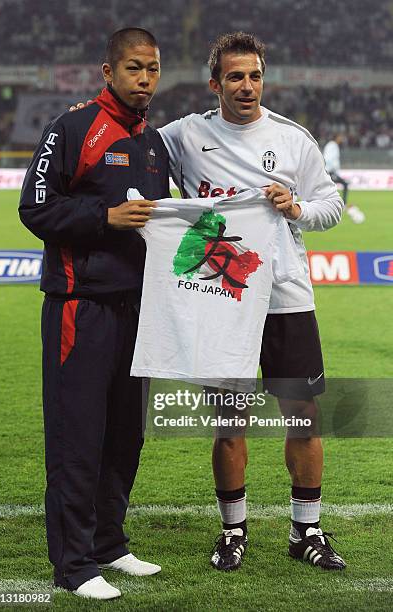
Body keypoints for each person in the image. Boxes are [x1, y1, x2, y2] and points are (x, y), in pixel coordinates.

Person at [158, 32, 346, 572]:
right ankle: (233, 530)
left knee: (303, 416)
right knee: (229, 420)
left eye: (255, 75)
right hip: (223, 299)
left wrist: (297, 209)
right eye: (235, 77)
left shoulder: (291, 139)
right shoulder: (185, 137)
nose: (247, 86)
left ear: (264, 78)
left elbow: (330, 204)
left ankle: (305, 530)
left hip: (286, 297)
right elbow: (134, 148)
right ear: (215, 83)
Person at [19, 28, 170, 600]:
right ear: (108, 71)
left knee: (124, 437)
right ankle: (75, 565)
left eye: (153, 69)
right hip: (79, 310)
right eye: (134, 68)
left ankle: (110, 542)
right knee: (77, 437)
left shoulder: (153, 144)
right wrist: (105, 218)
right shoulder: (73, 128)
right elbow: (35, 207)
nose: (145, 79)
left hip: (138, 311)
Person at [323, 133, 365, 223]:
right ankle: (340, 205)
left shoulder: (332, 145)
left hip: (330, 171)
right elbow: (328, 158)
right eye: (340, 137)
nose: (341, 138)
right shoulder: (332, 145)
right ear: (336, 137)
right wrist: (330, 170)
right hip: (329, 171)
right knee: (344, 184)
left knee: (337, 186)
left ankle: (334, 205)